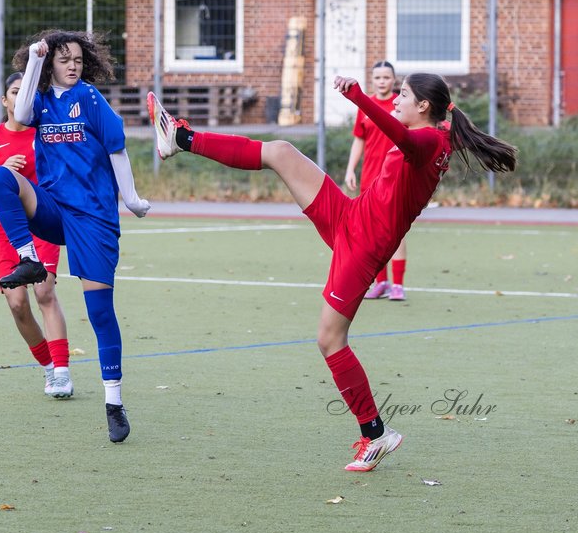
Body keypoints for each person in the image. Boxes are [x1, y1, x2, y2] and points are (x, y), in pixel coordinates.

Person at [147, 73, 516, 472]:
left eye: (404, 94)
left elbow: (403, 138)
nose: (396, 99)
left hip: (362, 247)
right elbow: (443, 130)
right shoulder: (441, 134)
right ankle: (181, 139)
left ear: (424, 106)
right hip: (350, 216)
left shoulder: (427, 140)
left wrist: (358, 95)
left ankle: (376, 434)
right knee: (282, 152)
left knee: (329, 340)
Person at [0, 31, 150, 443]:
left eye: (77, 58)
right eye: (64, 59)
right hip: (55, 211)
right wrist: (35, 63)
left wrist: (130, 198)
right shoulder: (40, 100)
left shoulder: (91, 99)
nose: (72, 65)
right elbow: (21, 113)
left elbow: (116, 148)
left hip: (93, 219)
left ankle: (114, 402)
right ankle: (29, 258)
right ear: (51, 64)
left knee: (99, 314)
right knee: (2, 176)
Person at [0, 72, 73, 399]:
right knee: (17, 303)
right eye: (14, 92)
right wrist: (0, 172)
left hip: (41, 222)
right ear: (5, 101)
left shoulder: (44, 134)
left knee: (45, 294)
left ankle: (61, 372)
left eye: (24, 92)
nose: (19, 97)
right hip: (3, 228)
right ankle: (46, 366)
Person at [343, 61, 409, 301]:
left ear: (394, 80)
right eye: (378, 77)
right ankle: (381, 282)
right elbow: (359, 139)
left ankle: (398, 285)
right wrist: (351, 169)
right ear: (372, 80)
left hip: (395, 177)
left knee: (396, 231)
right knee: (374, 233)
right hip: (370, 177)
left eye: (386, 77)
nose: (382, 81)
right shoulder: (365, 105)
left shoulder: (400, 105)